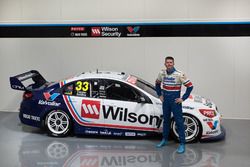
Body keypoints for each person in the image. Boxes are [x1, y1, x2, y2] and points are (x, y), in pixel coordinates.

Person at [155, 56, 193, 154]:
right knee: (166, 121)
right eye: (167, 62)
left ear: (173, 63)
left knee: (179, 122)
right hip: (166, 101)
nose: (169, 64)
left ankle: (182, 144)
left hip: (175, 102)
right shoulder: (162, 73)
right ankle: (164, 139)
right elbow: (157, 83)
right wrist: (159, 95)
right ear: (165, 63)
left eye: (171, 62)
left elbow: (190, 86)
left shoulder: (180, 74)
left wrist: (183, 98)